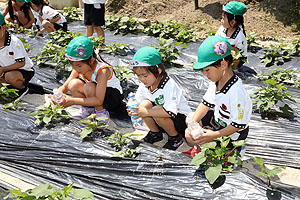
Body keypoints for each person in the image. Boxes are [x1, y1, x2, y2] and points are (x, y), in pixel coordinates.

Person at [185, 36, 252, 152]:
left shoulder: (236, 92)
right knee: (190, 120)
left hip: (232, 134)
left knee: (199, 138)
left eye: (207, 70)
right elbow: (205, 104)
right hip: (218, 122)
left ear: (223, 65)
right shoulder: (216, 82)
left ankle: (234, 150)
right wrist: (193, 123)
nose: (205, 74)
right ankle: (205, 147)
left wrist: (214, 135)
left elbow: (238, 125)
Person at [128, 47, 192, 150]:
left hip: (180, 120)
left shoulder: (168, 85)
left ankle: (175, 137)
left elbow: (170, 112)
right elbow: (138, 100)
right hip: (162, 119)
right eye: (138, 76)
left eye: (145, 75)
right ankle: (155, 133)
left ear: (158, 70)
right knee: (144, 104)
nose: (141, 79)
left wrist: (146, 112)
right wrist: (134, 108)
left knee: (154, 110)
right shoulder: (146, 84)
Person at [53, 36, 123, 124]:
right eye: (72, 65)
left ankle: (101, 113)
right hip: (96, 96)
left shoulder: (102, 71)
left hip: (111, 98)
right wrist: (57, 95)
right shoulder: (80, 68)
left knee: (89, 86)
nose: (76, 68)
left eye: (78, 65)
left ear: (91, 61)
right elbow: (65, 86)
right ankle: (88, 109)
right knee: (73, 84)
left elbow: (99, 100)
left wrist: (72, 101)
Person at [0, 12, 34, 94]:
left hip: (22, 70)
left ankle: (22, 88)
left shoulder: (14, 42)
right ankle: (8, 83)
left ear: (4, 27)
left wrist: (2, 69)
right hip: (5, 69)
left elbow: (21, 63)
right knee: (6, 78)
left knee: (10, 77)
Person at [215, 1, 247, 69]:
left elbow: (238, 54)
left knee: (236, 59)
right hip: (222, 56)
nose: (221, 20)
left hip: (234, 60)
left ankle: (231, 70)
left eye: (223, 19)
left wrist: (228, 47)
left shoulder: (239, 37)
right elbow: (216, 40)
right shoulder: (222, 29)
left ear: (232, 22)